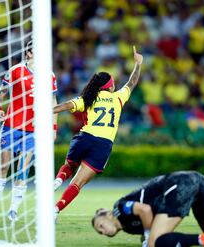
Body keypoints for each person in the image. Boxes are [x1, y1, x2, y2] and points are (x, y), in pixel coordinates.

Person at [53, 46, 143, 219]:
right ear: (109, 87)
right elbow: (131, 83)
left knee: (70, 165)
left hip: (85, 138)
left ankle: (57, 180)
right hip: (102, 145)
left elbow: (65, 106)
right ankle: (55, 210)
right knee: (78, 183)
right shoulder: (118, 97)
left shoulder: (88, 98)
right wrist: (138, 64)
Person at [92, 171, 204, 247]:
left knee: (155, 243)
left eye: (100, 225)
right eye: (100, 232)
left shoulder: (118, 209)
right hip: (199, 181)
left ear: (107, 214)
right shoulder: (128, 227)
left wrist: (149, 236)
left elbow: (145, 210)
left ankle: (201, 239)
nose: (103, 232)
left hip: (180, 183)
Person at [0, 40, 58, 221]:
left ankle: (13, 210)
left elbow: (53, 102)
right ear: (29, 53)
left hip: (33, 129)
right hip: (11, 126)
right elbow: (1, 92)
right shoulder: (15, 70)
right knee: (4, 165)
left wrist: (53, 127)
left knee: (23, 169)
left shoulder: (49, 75)